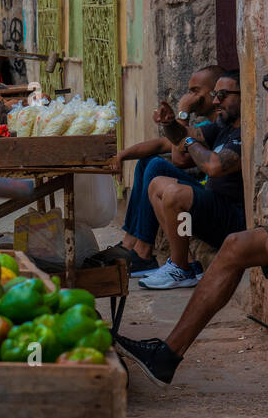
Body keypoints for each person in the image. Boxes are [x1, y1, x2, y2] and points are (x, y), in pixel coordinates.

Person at [117, 38, 268, 385]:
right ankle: (167, 355)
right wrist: (174, 120)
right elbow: (180, 150)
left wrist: (186, 130)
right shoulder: (222, 125)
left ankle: (179, 266)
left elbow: (211, 166)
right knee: (231, 246)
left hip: (230, 211)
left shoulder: (244, 130)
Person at [90, 65, 222, 277]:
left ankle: (143, 252)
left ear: (216, 92)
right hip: (203, 200)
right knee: (146, 161)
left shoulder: (219, 127)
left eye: (195, 91)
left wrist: (183, 112)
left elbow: (178, 158)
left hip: (214, 209)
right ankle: (130, 242)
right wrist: (122, 154)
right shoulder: (208, 126)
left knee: (157, 166)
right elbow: (163, 144)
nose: (189, 96)